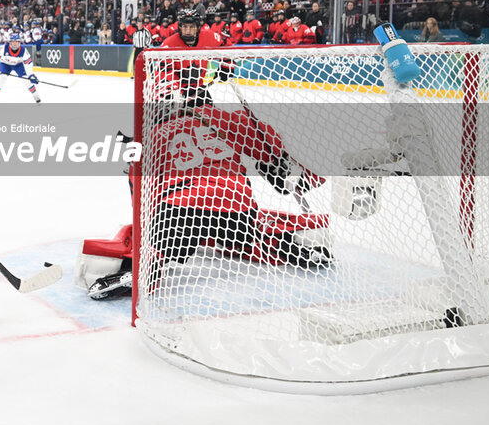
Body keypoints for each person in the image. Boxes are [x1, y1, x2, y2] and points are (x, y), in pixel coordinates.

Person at [80, 63, 332, 300]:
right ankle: (286, 246)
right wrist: (275, 167)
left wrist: (151, 226)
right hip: (236, 204)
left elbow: (141, 198)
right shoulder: (223, 118)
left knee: (160, 247)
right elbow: (267, 142)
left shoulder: (149, 139)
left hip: (180, 209)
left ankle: (141, 271)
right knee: (242, 237)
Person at [0, 32, 41, 104]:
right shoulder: (3, 48)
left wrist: (31, 75)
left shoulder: (23, 51)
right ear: (10, 42)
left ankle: (36, 97)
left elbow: (28, 63)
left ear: (19, 42)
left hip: (18, 65)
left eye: (16, 41)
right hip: (5, 64)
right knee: (2, 78)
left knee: (26, 80)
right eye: (13, 41)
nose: (14, 43)